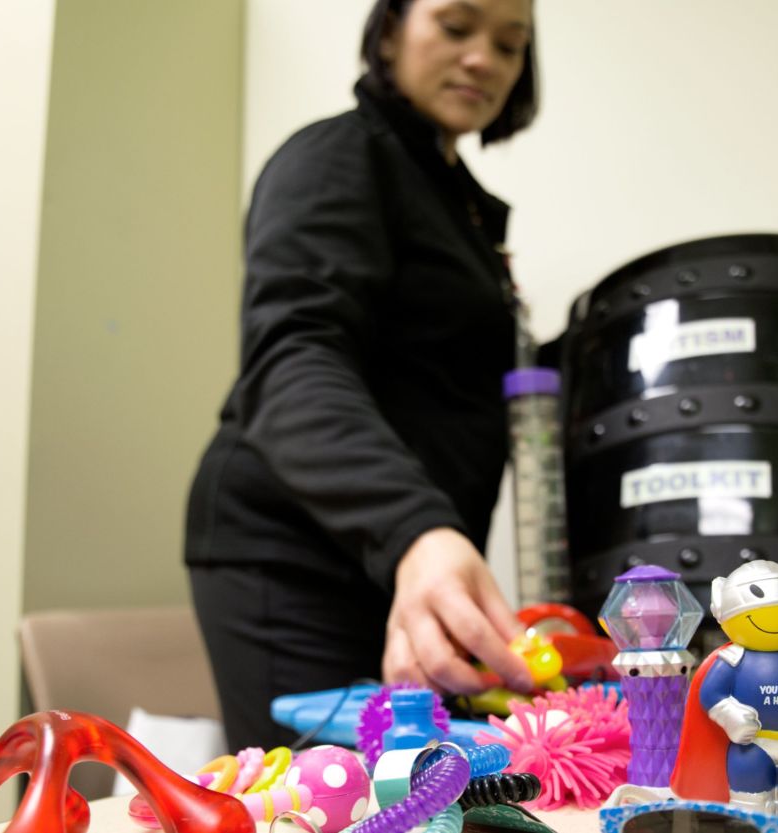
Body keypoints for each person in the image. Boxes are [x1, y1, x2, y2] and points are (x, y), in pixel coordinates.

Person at [184, 0, 542, 749]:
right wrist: (417, 531)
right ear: (388, 30)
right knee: (326, 801)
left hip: (392, 558)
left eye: (510, 45)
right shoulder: (335, 157)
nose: (485, 58)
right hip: (296, 555)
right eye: (456, 26)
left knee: (424, 793)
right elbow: (292, 354)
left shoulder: (459, 211)